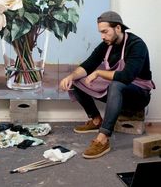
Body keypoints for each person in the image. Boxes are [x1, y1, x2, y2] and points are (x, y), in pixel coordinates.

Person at [59, 11, 155, 159]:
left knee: (116, 84)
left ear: (118, 28)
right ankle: (96, 119)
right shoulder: (106, 45)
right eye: (101, 32)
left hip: (138, 95)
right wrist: (71, 76)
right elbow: (88, 64)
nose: (102, 36)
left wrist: (99, 73)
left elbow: (126, 76)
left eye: (105, 32)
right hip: (115, 91)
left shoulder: (137, 45)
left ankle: (103, 139)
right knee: (77, 81)